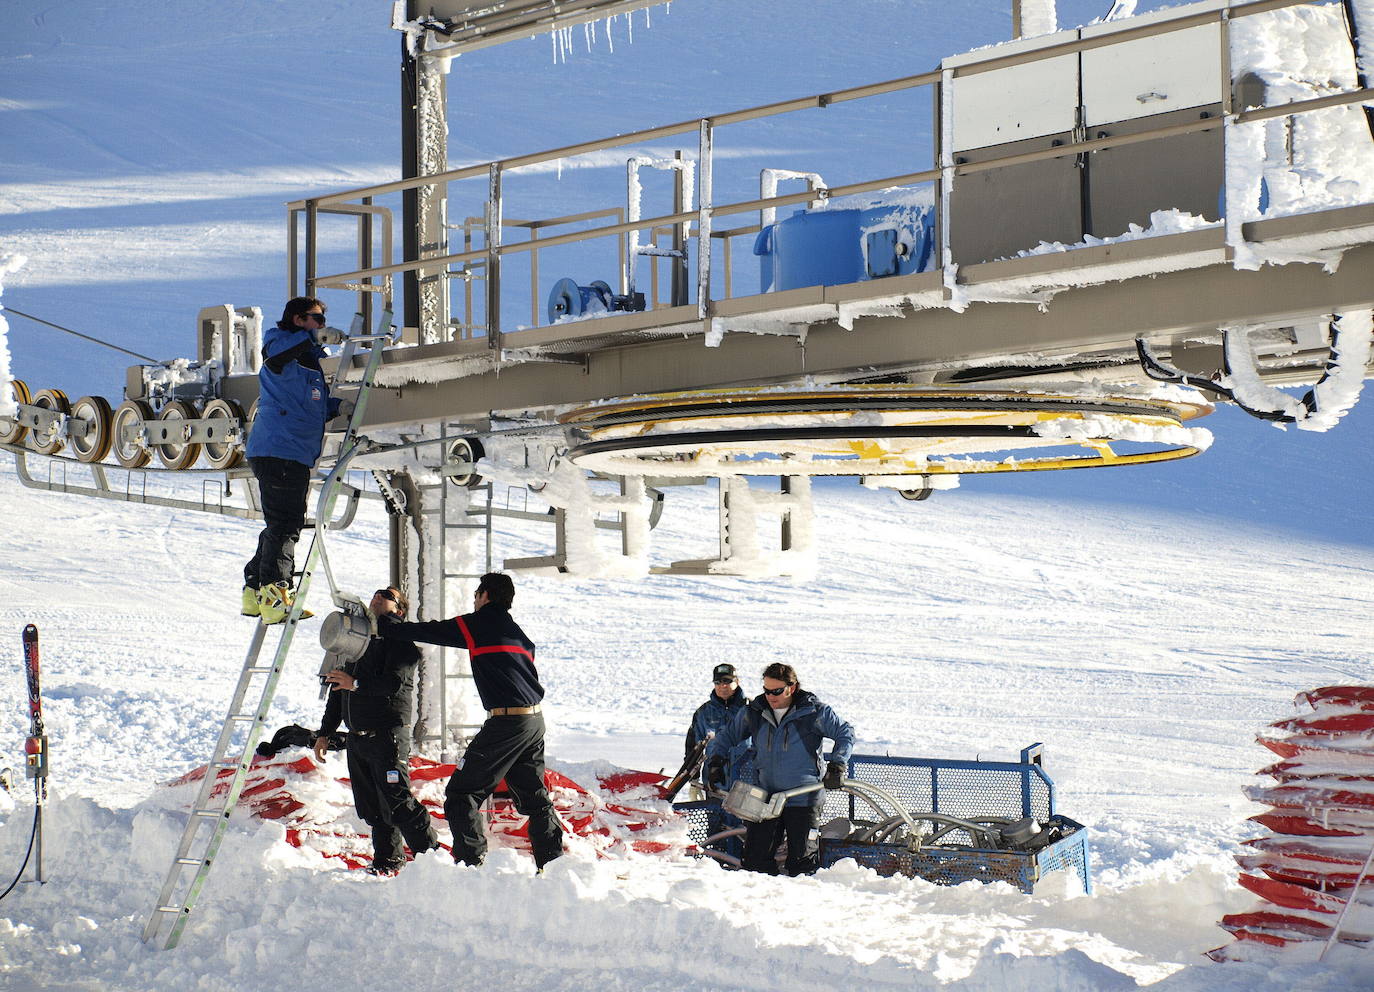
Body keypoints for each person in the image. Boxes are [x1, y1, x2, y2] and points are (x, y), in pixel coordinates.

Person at [379, 572, 564, 870]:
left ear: (485, 595)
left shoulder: (480, 623)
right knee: (534, 797)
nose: (474, 601)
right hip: (533, 721)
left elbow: (432, 632)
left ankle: (470, 865)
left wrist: (388, 623)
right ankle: (554, 866)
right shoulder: (518, 633)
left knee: (461, 794)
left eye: (476, 595)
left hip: (507, 723)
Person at [313, 585, 439, 876]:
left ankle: (432, 861)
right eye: (377, 593)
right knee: (373, 807)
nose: (379, 596)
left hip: (387, 734)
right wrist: (325, 732)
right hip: (359, 737)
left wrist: (355, 684)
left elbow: (394, 683)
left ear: (400, 610)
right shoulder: (357, 641)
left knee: (397, 801)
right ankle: (387, 861)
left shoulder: (401, 641)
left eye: (388, 596)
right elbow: (337, 687)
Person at [241, 296, 349, 624]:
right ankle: (275, 594)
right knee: (286, 525)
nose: (321, 325)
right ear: (299, 319)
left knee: (280, 523)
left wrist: (335, 407)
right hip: (281, 449)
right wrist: (312, 339)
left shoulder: (307, 363)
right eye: (316, 319)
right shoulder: (282, 346)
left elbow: (308, 403)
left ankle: (255, 590)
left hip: (288, 450)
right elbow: (273, 355)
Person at [706, 662, 854, 876]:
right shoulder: (755, 712)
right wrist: (716, 761)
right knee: (754, 863)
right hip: (767, 800)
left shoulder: (813, 712)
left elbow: (845, 733)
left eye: (776, 691)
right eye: (766, 691)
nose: (770, 697)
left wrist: (838, 764)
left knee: (802, 865)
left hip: (803, 798)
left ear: (791, 688)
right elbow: (727, 736)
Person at [685, 663, 750, 788]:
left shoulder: (751, 709)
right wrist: (693, 778)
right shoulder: (703, 712)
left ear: (737, 681)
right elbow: (693, 748)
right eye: (717, 682)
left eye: (727, 681)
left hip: (747, 780)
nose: (722, 686)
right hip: (715, 779)